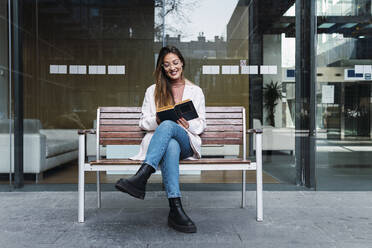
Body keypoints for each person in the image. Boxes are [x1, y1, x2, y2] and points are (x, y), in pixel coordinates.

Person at [115, 46, 206, 233]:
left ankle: (142, 177)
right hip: (167, 144)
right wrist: (157, 119)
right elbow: (143, 123)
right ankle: (175, 209)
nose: (172, 67)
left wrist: (188, 125)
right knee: (169, 139)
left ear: (182, 63)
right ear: (162, 68)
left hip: (186, 142)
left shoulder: (196, 91)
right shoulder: (153, 91)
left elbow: (201, 124)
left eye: (175, 63)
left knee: (169, 126)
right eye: (166, 65)